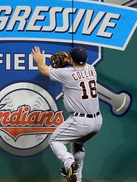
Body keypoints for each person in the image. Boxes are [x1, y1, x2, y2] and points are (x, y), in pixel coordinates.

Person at [31, 46, 102, 182]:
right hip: (97, 122)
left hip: (81, 122)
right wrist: (71, 60)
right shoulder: (92, 69)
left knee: (55, 140)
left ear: (71, 59)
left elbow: (44, 70)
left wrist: (39, 60)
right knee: (78, 145)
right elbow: (78, 69)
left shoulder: (66, 74)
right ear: (86, 59)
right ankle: (77, 179)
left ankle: (69, 164)